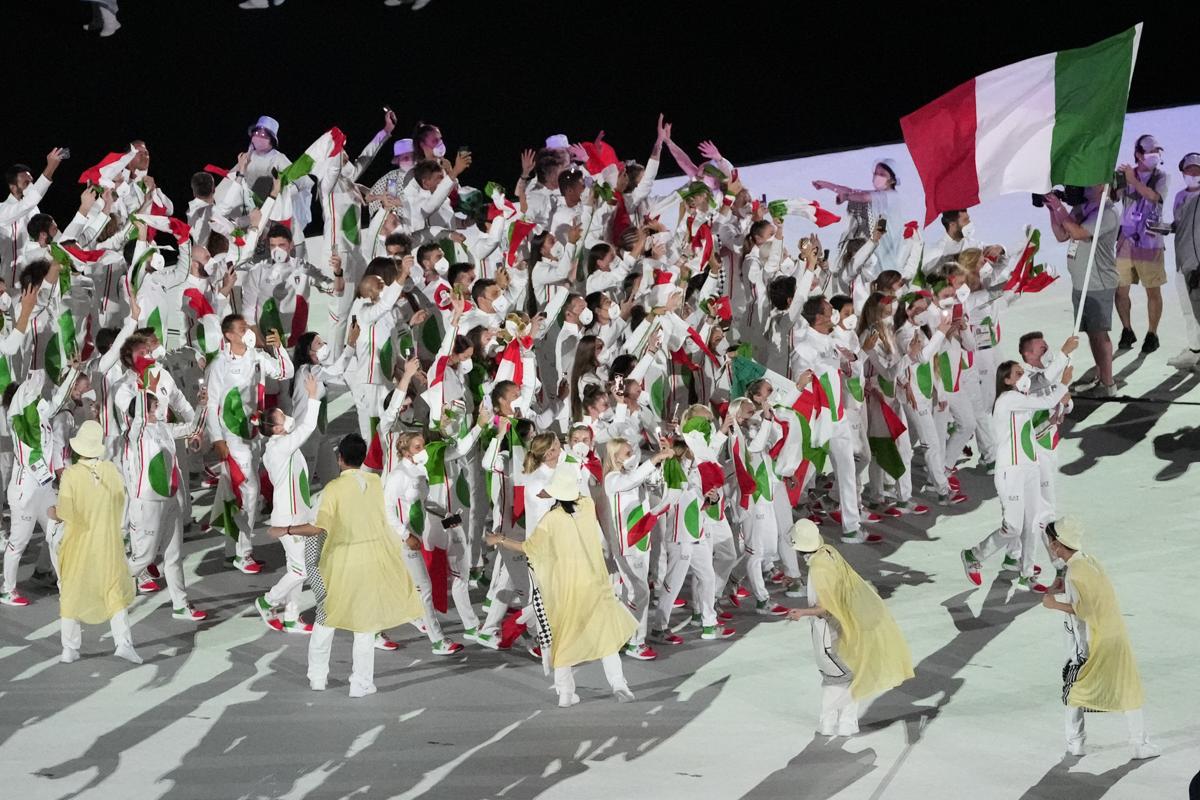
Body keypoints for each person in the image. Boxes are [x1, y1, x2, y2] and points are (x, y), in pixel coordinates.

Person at [270, 434, 425, 698]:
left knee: (326, 618)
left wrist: (284, 529)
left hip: (341, 564)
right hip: (372, 560)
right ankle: (360, 683)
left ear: (339, 458)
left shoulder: (333, 489)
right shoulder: (375, 482)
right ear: (362, 458)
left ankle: (318, 677)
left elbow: (318, 527)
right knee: (364, 626)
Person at [487, 462, 638, 707]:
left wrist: (500, 539)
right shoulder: (587, 507)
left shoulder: (551, 520)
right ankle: (619, 684)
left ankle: (565, 693)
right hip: (594, 585)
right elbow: (579, 496)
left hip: (564, 590)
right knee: (606, 638)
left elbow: (528, 548)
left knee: (563, 640)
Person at [1041, 516, 1160, 760]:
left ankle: (1076, 744)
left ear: (1058, 544)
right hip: (1116, 635)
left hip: (1091, 641)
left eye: (1051, 541)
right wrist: (1060, 586)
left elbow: (1083, 609)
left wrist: (1053, 603)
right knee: (1128, 689)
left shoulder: (1074, 572)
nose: (1050, 545)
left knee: (1075, 691)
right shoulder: (1089, 562)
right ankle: (1139, 744)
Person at [785, 519, 913, 736]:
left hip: (828, 632)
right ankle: (838, 723)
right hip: (846, 626)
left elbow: (823, 607)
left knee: (839, 677)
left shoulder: (818, 570)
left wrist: (801, 612)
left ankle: (838, 723)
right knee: (842, 676)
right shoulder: (830, 553)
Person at [961, 361, 1071, 591]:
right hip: (1009, 472)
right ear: (1007, 380)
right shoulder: (1008, 399)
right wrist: (1064, 383)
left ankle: (1027, 575)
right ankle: (973, 555)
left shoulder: (1020, 403)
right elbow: (1047, 400)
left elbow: (1029, 434)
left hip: (1029, 468)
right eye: (1019, 374)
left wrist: (1050, 423)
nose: (1024, 377)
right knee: (1012, 527)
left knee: (1033, 523)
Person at [48, 421, 139, 664]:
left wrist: (51, 512)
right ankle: (123, 642)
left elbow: (65, 511)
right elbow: (121, 501)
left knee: (71, 591)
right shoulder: (110, 470)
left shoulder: (71, 474)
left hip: (79, 543)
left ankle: (70, 648)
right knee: (113, 591)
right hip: (107, 542)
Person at [1044, 184, 1120, 397]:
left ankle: (1108, 385)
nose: (1084, 184)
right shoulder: (1082, 208)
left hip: (1098, 283)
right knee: (1092, 333)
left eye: (1091, 181)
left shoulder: (1107, 213)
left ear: (1103, 186)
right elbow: (1061, 234)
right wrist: (1052, 208)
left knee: (1099, 334)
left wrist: (1059, 207)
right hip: (1081, 283)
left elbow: (1077, 233)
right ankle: (1101, 377)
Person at [1115, 135, 1169, 354]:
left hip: (1150, 243)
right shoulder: (1125, 175)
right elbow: (1113, 197)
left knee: (1152, 290)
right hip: (1125, 241)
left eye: (1158, 150)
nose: (1155, 154)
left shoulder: (1162, 176)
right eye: (1151, 150)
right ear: (1138, 154)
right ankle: (1127, 329)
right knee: (1120, 290)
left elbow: (1153, 197)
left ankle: (1152, 334)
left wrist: (1132, 180)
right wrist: (1117, 181)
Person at [1167, 151, 1200, 370]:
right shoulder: (1180, 196)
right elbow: (1181, 226)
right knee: (1189, 311)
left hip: (1197, 265)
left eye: (1198, 170)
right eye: (1190, 170)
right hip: (1181, 263)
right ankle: (1195, 350)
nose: (1194, 174)